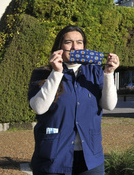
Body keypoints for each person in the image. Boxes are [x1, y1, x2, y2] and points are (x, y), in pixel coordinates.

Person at [28, 25, 119, 175]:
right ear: (60, 46)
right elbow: (39, 108)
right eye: (68, 42)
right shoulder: (42, 73)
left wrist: (108, 74)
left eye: (79, 42)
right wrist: (57, 73)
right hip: (53, 156)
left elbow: (109, 105)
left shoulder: (95, 72)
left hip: (90, 158)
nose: (74, 47)